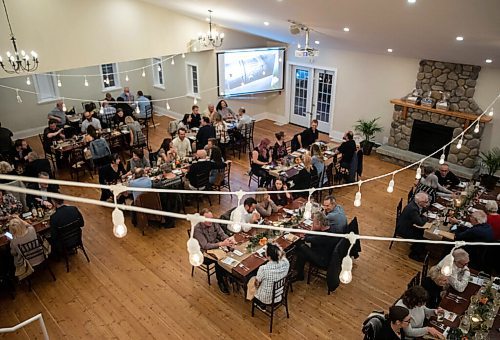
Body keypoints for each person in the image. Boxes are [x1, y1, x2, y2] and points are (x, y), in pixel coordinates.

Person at [193, 208, 236, 294]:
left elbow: (221, 233)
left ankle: (227, 274)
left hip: (215, 246)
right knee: (219, 260)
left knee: (232, 250)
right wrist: (221, 244)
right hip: (203, 252)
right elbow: (205, 246)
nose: (211, 221)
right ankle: (220, 281)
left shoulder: (213, 222)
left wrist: (228, 240)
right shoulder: (197, 229)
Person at [294, 211, 337, 281]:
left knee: (300, 246)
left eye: (313, 222)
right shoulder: (329, 228)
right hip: (326, 254)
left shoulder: (323, 237)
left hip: (322, 260)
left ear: (319, 223)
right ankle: (298, 271)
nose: (312, 224)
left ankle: (298, 274)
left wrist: (311, 230)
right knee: (302, 251)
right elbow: (311, 236)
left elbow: (308, 238)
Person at [396, 192, 429, 261]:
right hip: (404, 229)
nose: (427, 203)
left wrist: (424, 210)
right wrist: (425, 216)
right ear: (420, 202)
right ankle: (414, 254)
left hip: (407, 225)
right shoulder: (413, 209)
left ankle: (417, 248)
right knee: (421, 236)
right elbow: (420, 223)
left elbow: (422, 213)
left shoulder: (415, 203)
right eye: (426, 202)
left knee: (421, 233)